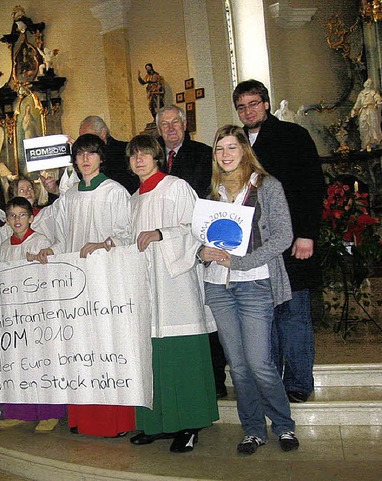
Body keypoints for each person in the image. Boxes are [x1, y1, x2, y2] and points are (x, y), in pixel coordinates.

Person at [200, 125, 299, 455]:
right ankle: (253, 430)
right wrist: (201, 253)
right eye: (219, 149)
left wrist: (241, 263)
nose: (225, 154)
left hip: (255, 282)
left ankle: (283, 425)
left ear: (244, 150)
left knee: (260, 363)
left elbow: (283, 237)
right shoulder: (212, 193)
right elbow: (198, 238)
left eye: (231, 147)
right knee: (238, 366)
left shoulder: (267, 186)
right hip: (218, 286)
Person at [36, 133, 134, 437]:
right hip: (77, 284)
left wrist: (104, 244)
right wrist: (50, 249)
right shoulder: (70, 197)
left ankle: (114, 422)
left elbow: (127, 234)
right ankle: (83, 418)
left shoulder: (115, 192)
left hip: (107, 281)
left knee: (108, 349)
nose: (85, 159)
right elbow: (63, 236)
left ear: (101, 157)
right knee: (81, 349)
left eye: (91, 153)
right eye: (80, 154)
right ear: (74, 160)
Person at [233, 79, 324, 404]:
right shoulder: (236, 143)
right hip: (254, 247)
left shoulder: (292, 136)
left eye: (253, 104)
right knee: (262, 316)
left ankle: (298, 382)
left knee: (293, 314)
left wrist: (307, 234)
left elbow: (313, 186)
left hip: (292, 241)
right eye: (242, 106)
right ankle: (269, 383)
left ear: (267, 104)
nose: (248, 111)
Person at [126, 135, 219, 453]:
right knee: (153, 355)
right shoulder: (134, 199)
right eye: (134, 155)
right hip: (147, 287)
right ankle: (158, 423)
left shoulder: (177, 187)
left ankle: (190, 425)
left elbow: (197, 228)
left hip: (175, 286)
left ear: (157, 157)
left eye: (145, 154)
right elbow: (128, 239)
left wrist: (161, 233)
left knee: (182, 354)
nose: (139, 160)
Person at [156, 104, 228, 399]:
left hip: (197, 242)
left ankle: (216, 379)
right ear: (158, 130)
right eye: (165, 125)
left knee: (205, 311)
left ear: (185, 125)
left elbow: (213, 193)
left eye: (176, 123)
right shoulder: (154, 157)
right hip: (163, 249)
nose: (171, 128)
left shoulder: (202, 153)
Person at [0, 197, 66, 430]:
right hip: (12, 315)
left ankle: (49, 411)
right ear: (6, 219)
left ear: (31, 217)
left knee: (42, 362)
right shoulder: (3, 247)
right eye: (12, 215)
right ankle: (20, 410)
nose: (17, 220)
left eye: (22, 214)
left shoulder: (40, 241)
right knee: (17, 362)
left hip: (36, 314)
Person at [78, 116, 139, 194]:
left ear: (103, 133)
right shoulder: (83, 157)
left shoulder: (125, 150)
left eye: (88, 137)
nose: (84, 141)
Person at [351, 78, 382, 151]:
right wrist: (354, 110)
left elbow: (379, 101)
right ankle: (365, 143)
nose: (368, 84)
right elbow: (358, 103)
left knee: (372, 126)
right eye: (367, 83)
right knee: (363, 127)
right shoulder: (361, 93)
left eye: (369, 83)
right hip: (363, 112)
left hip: (371, 111)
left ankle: (372, 143)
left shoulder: (374, 92)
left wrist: (377, 105)